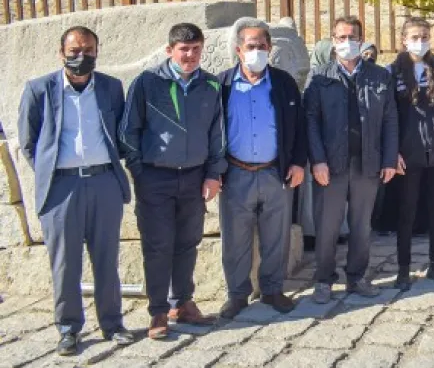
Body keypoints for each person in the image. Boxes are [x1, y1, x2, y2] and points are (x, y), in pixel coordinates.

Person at [17, 27, 136, 355]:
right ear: (61, 53)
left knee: (107, 258)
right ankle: (68, 329)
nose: (80, 57)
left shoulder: (111, 88)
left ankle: (113, 324)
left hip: (103, 183)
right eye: (74, 50)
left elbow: (120, 133)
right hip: (61, 187)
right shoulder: (39, 90)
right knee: (65, 262)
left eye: (88, 50)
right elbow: (28, 144)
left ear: (97, 52)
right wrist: (51, 173)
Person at [119, 23, 225, 338]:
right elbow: (128, 131)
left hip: (194, 178)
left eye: (195, 49)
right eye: (183, 49)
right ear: (170, 51)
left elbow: (217, 133)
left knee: (188, 243)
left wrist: (213, 173)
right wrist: (139, 171)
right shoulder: (147, 83)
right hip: (155, 178)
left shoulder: (211, 86)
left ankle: (184, 303)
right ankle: (158, 311)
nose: (190, 55)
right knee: (158, 245)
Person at [215, 19, 307, 318]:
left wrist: (297, 162)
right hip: (235, 173)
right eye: (250, 46)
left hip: (274, 171)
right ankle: (237, 294)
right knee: (235, 238)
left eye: (262, 46)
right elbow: (212, 131)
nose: (257, 51)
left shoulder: (283, 83)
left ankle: (272, 289)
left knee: (276, 236)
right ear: (239, 50)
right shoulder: (223, 85)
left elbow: (299, 127)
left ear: (270, 48)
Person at [304, 16, 399, 303]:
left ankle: (357, 277)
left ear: (361, 39)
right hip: (330, 165)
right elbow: (310, 121)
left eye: (352, 37)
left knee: (361, 226)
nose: (347, 43)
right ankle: (323, 279)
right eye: (341, 37)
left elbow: (390, 120)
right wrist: (317, 160)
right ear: (333, 41)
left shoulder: (379, 75)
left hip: (367, 163)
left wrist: (389, 159)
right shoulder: (320, 77)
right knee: (328, 226)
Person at [389, 17, 434, 291]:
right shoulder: (393, 70)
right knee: (406, 210)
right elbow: (390, 114)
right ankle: (404, 269)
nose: (421, 41)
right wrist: (393, 151)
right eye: (415, 37)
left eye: (425, 36)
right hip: (408, 151)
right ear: (404, 39)